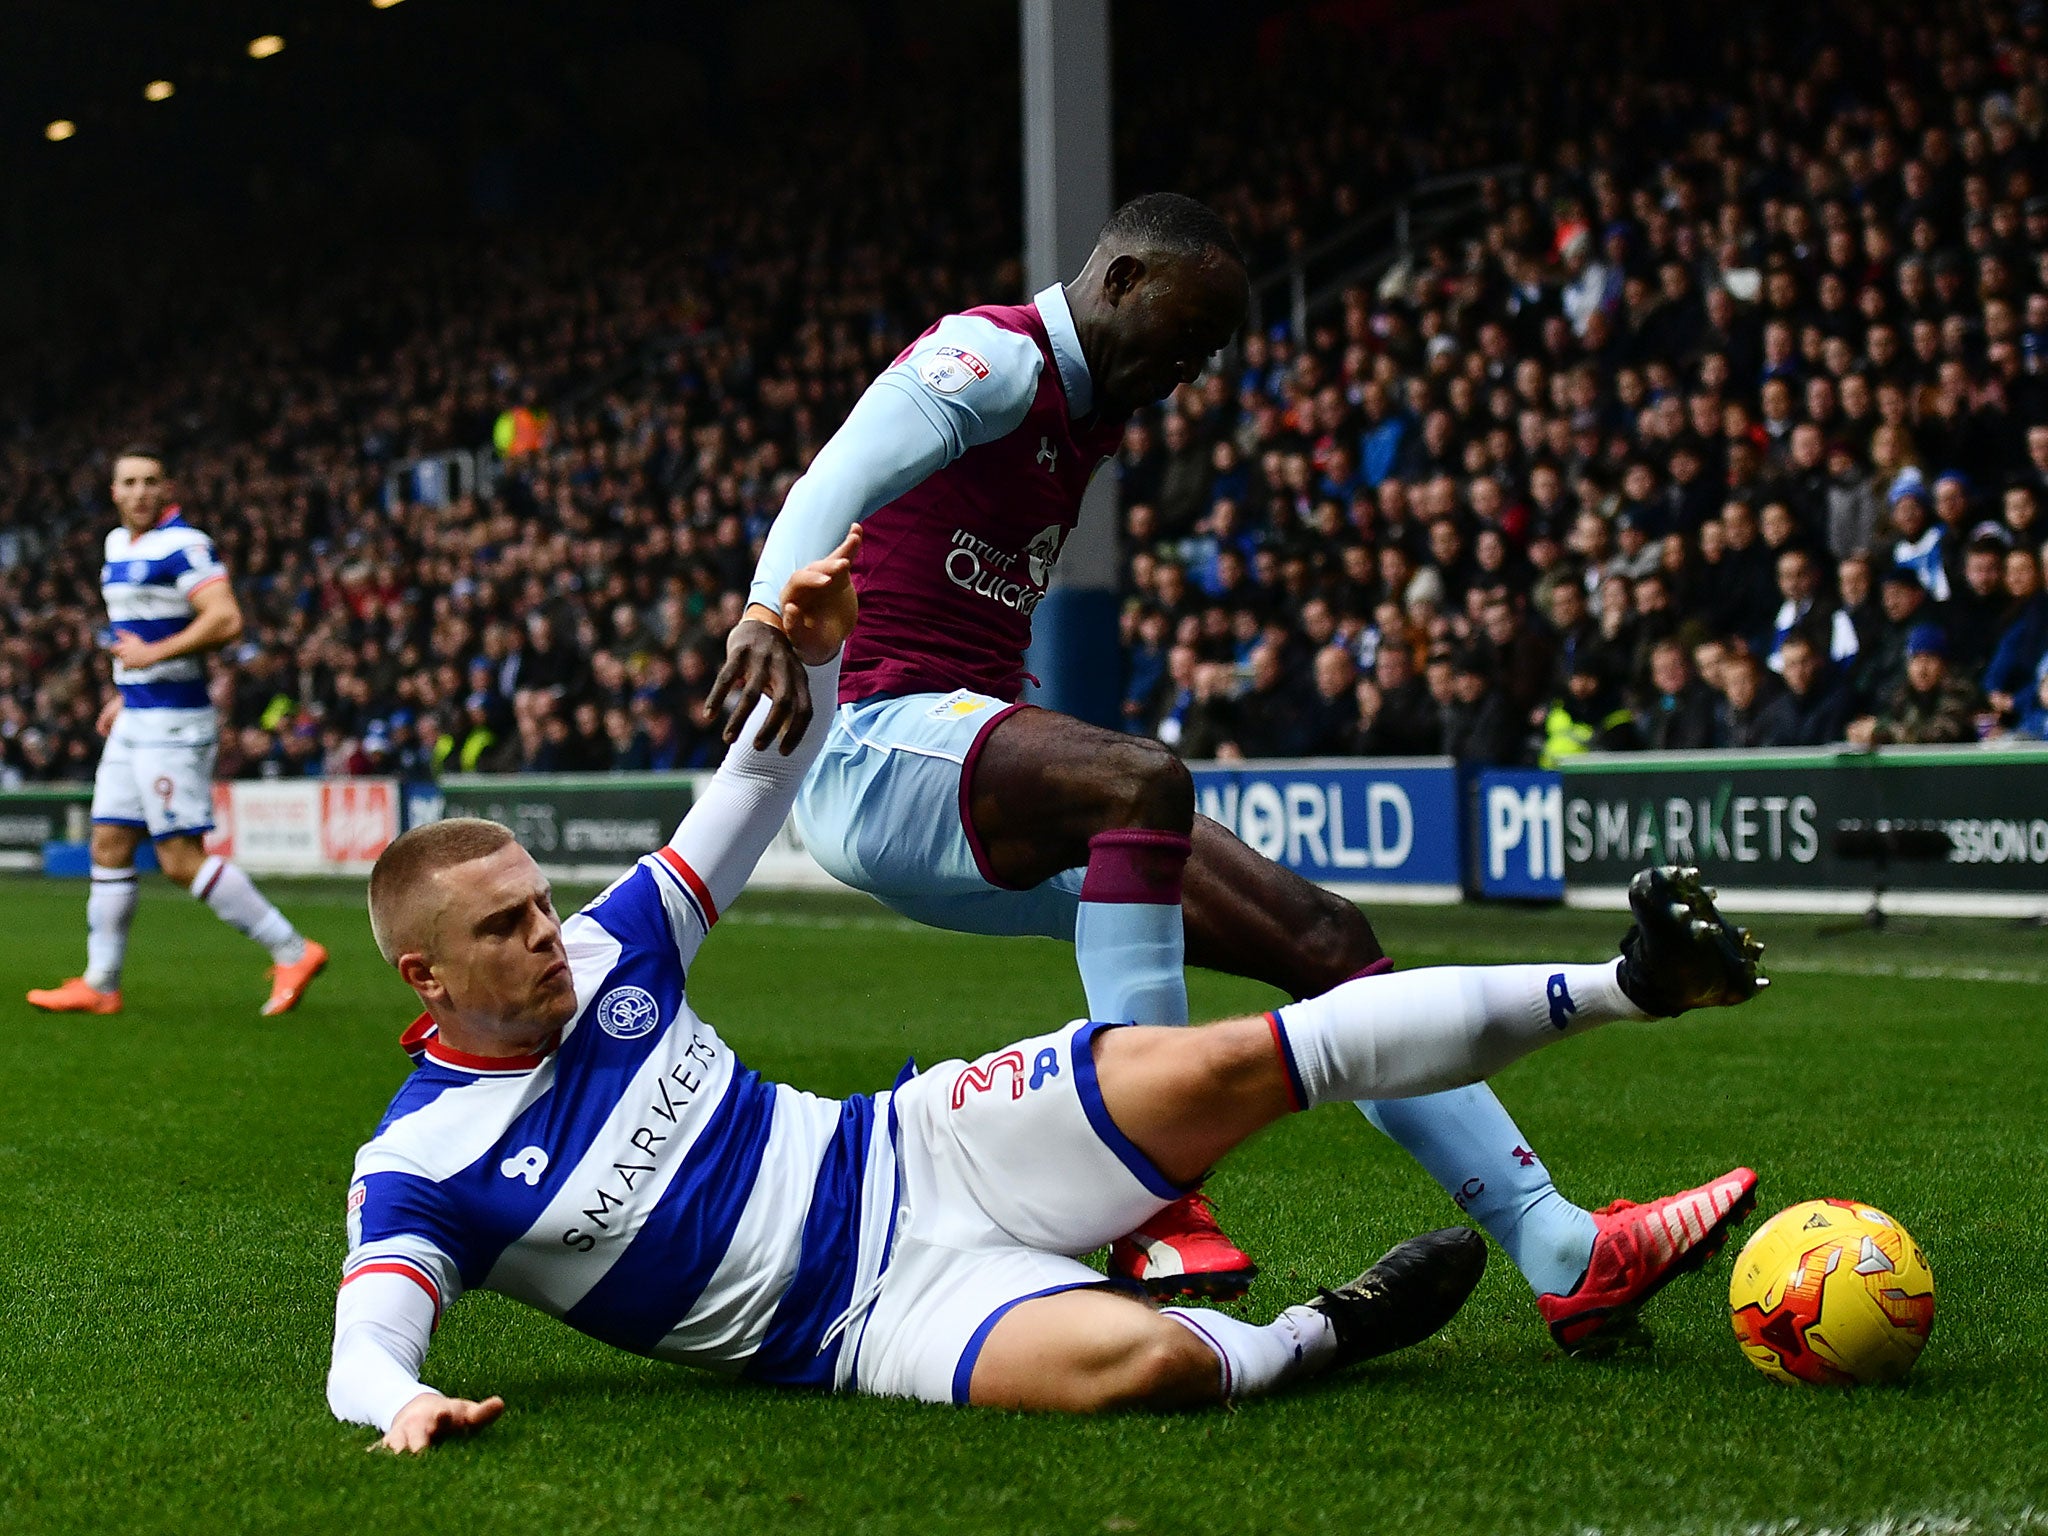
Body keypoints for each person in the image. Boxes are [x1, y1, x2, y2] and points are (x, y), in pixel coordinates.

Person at [327, 533, 1768, 1449]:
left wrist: (818, 656)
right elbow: (364, 1348)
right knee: (1133, 1370)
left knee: (1214, 1066)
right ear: (425, 976)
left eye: (541, 903)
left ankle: (1634, 981)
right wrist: (405, 1403)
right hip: (860, 1328)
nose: (549, 935)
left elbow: (754, 786)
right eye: (510, 928)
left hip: (915, 1144)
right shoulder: (416, 1167)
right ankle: (1331, 1332)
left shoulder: (614, 946)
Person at [710, 192, 1751, 1350]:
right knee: (1139, 783)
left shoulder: (1089, 407)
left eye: (1212, 351)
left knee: (1324, 940)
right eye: (1186, 334)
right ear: (1116, 284)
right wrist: (765, 608)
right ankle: (1155, 1200)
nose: (1193, 368)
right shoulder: (994, 355)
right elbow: (829, 478)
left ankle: (1563, 1252)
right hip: (875, 744)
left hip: (962, 750)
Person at [27, 447, 329, 1018]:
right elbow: (136, 638)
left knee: (178, 858)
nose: (139, 491)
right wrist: (126, 691)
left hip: (174, 723)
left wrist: (150, 660)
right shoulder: (118, 546)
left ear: (166, 487)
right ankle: (101, 982)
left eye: (150, 481)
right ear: (113, 492)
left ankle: (292, 949)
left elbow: (225, 618)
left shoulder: (184, 544)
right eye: (128, 482)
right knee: (109, 844)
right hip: (138, 715)